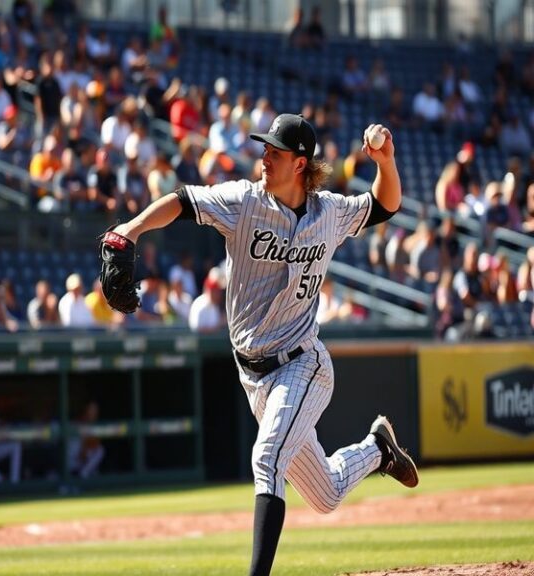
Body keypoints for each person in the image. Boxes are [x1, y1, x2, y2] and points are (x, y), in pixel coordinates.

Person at [104, 113, 418, 575]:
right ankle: (378, 449)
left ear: (300, 162)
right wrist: (128, 230)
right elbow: (181, 200)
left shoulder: (328, 212)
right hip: (254, 377)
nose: (264, 156)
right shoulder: (243, 201)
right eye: (265, 148)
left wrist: (385, 162)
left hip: (304, 364)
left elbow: (384, 205)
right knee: (326, 493)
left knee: (266, 458)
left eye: (275, 151)